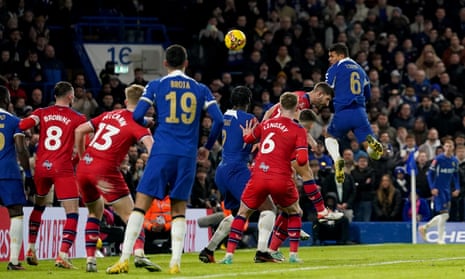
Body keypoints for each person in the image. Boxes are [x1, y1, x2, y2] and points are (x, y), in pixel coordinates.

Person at [106, 44, 223, 274]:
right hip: (187, 155)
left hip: (162, 151)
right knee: (179, 208)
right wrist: (207, 147)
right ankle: (175, 263)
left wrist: (150, 123)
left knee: (141, 205)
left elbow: (138, 115)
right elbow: (218, 121)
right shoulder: (200, 88)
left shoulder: (156, 85)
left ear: (165, 63)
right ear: (186, 63)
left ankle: (124, 259)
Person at [74, 84, 159, 272]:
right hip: (105, 170)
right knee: (132, 215)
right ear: (145, 104)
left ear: (126, 101)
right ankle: (139, 254)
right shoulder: (137, 122)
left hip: (84, 167)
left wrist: (82, 158)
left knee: (95, 212)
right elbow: (152, 147)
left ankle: (90, 260)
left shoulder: (109, 114)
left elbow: (79, 130)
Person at [219, 92, 306, 265]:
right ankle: (293, 255)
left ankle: (228, 255)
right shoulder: (298, 129)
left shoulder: (266, 123)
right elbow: (302, 160)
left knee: (243, 213)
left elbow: (249, 138)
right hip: (280, 177)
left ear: (279, 107)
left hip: (258, 175)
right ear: (297, 108)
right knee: (295, 211)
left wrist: (246, 133)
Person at [198, 86, 277, 264]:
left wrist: (207, 148)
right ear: (248, 101)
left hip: (222, 170)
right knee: (268, 208)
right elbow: (264, 141)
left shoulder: (223, 116)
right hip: (237, 169)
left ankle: (208, 250)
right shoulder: (249, 119)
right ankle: (262, 252)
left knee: (236, 215)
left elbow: (219, 132)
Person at [18, 81, 87, 269]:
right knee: (72, 212)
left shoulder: (42, 112)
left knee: (39, 206)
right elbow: (84, 147)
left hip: (41, 167)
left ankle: (31, 248)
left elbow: (23, 124)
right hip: (62, 168)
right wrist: (73, 163)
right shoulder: (78, 118)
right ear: (70, 97)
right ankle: (62, 255)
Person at [324, 43, 384, 184]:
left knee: (329, 137)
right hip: (360, 112)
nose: (330, 59)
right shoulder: (361, 70)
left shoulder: (335, 68)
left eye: (332, 56)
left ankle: (337, 159)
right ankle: (375, 147)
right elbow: (368, 94)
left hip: (342, 112)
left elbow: (327, 89)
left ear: (341, 56)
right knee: (368, 147)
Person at [0, 86, 32, 270]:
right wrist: (28, 175)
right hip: (8, 173)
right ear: (7, 101)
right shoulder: (14, 121)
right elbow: (21, 149)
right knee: (16, 213)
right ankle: (13, 261)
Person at [419, 139, 460, 244]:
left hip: (447, 190)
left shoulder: (454, 161)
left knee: (445, 215)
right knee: (445, 214)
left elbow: (455, 175)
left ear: (453, 148)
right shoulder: (438, 159)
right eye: (446, 146)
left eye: (450, 146)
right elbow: (429, 174)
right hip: (438, 189)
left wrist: (457, 188)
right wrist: (432, 187)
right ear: (444, 147)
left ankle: (425, 227)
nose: (448, 148)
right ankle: (440, 239)